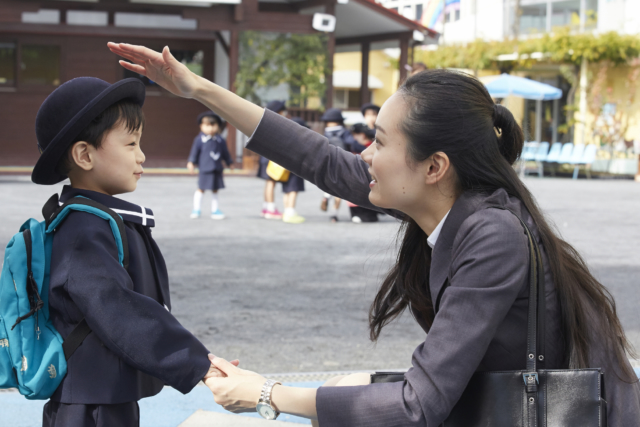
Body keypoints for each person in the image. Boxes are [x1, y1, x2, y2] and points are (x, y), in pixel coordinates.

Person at [108, 43, 640, 427]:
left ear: (434, 167)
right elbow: (317, 158)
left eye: (379, 142)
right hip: (501, 404)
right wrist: (198, 89)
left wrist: (267, 393)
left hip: (555, 415)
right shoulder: (456, 205)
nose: (363, 154)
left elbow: (418, 406)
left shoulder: (492, 237)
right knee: (346, 391)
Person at [31, 76, 232, 427]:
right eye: (130, 144)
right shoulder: (83, 229)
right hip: (90, 404)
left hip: (102, 393)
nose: (141, 155)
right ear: (84, 154)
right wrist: (197, 363)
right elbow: (118, 310)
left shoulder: (95, 219)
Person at [319, 108, 365, 222]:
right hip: (341, 163)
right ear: (340, 121)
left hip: (327, 164)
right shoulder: (344, 132)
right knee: (339, 191)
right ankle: (334, 214)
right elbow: (352, 144)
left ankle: (326, 196)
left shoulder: (325, 133)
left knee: (330, 186)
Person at [187, 111, 232, 219]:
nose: (210, 128)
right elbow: (194, 152)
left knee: (215, 189)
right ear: (201, 126)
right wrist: (191, 162)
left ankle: (215, 210)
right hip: (205, 169)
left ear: (218, 126)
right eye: (207, 125)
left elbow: (225, 153)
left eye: (213, 125)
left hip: (217, 168)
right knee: (201, 188)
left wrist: (229, 162)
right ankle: (196, 209)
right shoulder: (199, 140)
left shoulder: (220, 140)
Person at [256, 100, 287, 219]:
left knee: (268, 183)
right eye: (283, 111)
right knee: (271, 182)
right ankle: (270, 209)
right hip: (270, 158)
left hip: (264, 157)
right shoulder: (275, 124)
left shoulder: (265, 122)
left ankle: (266, 207)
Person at [347, 123, 378, 223]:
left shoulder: (358, 146)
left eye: (355, 135)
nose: (354, 137)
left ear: (362, 135)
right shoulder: (375, 145)